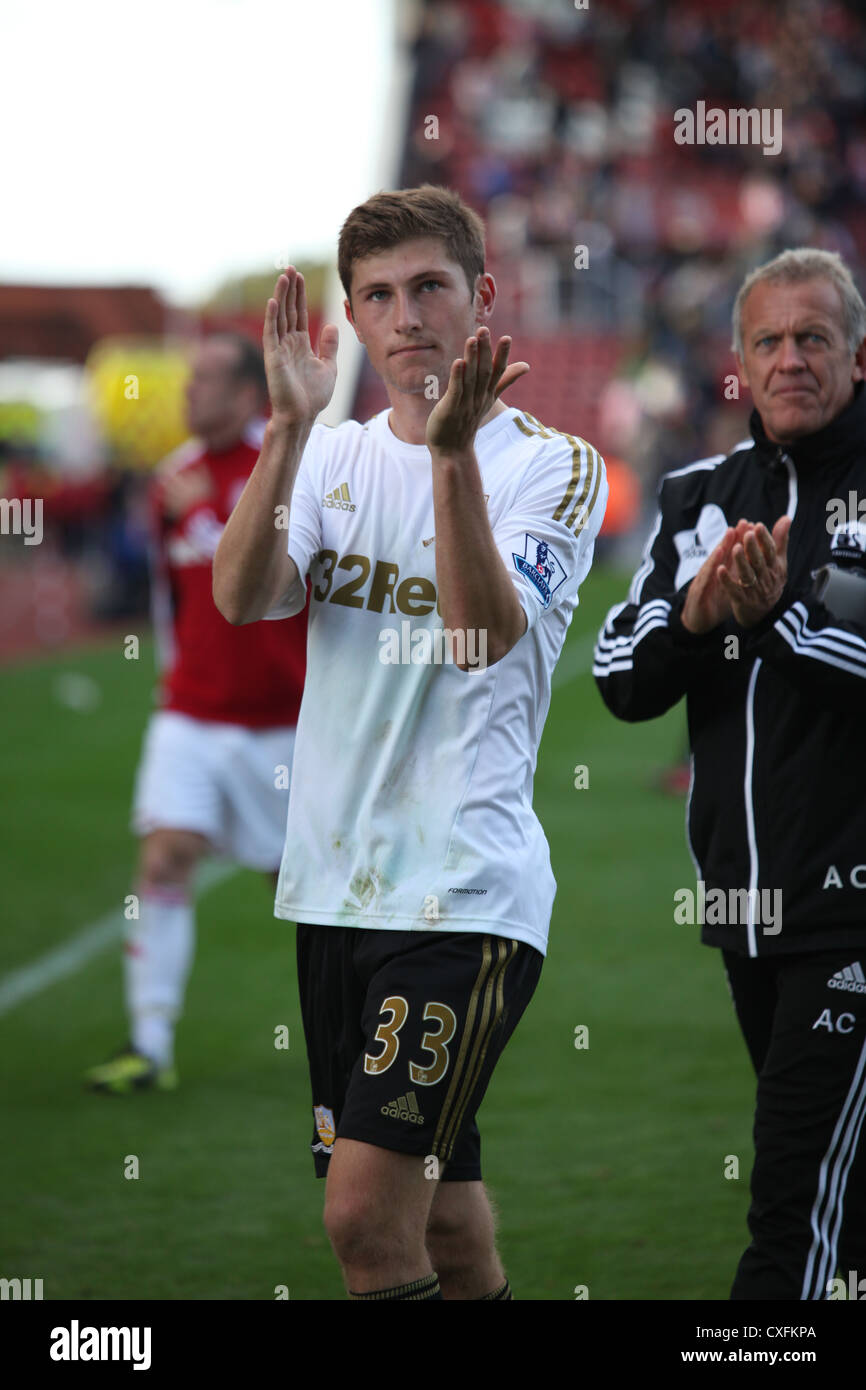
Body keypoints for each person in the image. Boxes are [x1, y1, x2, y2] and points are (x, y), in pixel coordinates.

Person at [213, 185, 607, 1300]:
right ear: (352, 320)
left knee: (361, 1227)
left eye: (429, 286)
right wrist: (287, 429)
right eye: (377, 295)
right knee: (447, 1235)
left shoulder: (552, 465)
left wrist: (447, 456)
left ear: (480, 296)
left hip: (461, 898)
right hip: (333, 894)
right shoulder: (326, 456)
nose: (406, 315)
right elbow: (243, 598)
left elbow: (482, 632)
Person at [593, 247, 866, 1300]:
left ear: (855, 353)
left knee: (788, 1216)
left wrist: (772, 620)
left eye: (811, 337)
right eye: (767, 340)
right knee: (841, 1221)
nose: (789, 358)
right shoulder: (693, 494)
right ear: (737, 364)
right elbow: (618, 673)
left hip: (849, 913)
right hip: (744, 907)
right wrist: (697, 618)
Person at [85, 334, 307, 1093]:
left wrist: (210, 516)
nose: (189, 391)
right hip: (190, 712)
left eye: (210, 379)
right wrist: (170, 681)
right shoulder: (169, 480)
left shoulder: (286, 471)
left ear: (250, 395)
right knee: (164, 858)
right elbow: (170, 603)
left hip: (285, 722)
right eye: (191, 377)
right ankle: (150, 1046)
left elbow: (271, 583)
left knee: (309, 890)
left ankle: (360, 1035)